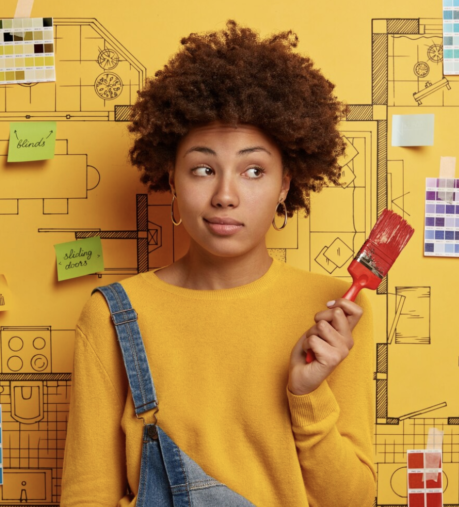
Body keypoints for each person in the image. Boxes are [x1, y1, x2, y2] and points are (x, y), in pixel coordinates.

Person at [61, 20, 376, 506]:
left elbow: (352, 500)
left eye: (254, 170)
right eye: (204, 169)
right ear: (172, 176)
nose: (225, 195)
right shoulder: (112, 315)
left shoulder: (332, 316)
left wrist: (307, 396)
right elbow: (88, 494)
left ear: (285, 184)